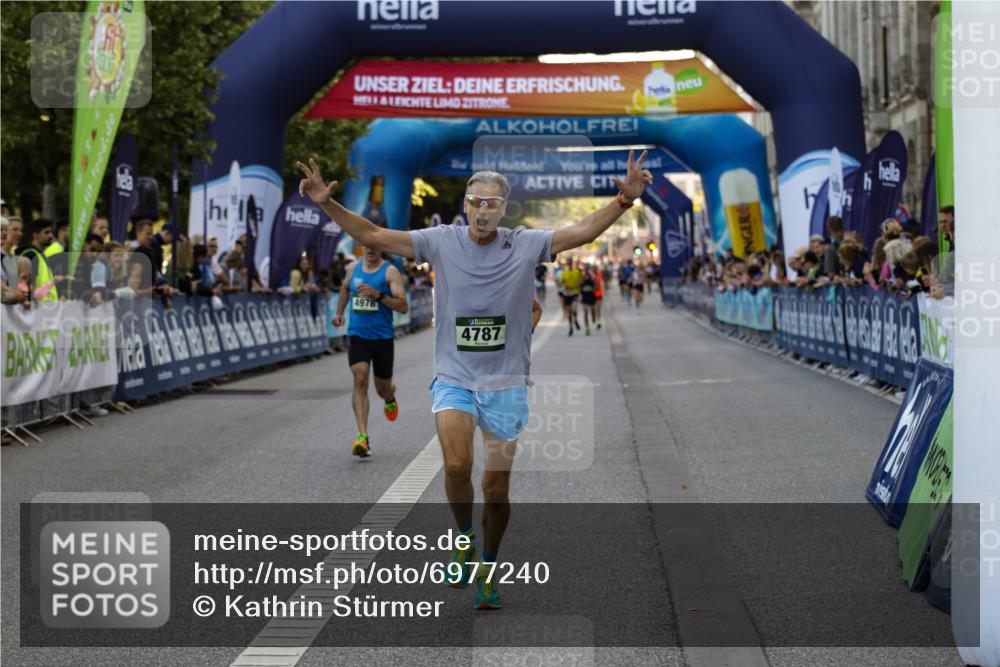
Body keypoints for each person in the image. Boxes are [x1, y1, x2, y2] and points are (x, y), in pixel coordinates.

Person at [297, 150, 652, 609]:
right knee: (458, 466)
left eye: (492, 203)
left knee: (496, 489)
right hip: (455, 379)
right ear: (466, 205)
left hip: (505, 384)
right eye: (476, 202)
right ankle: (464, 537)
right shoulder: (439, 241)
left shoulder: (524, 244)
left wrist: (624, 201)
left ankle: (488, 563)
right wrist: (328, 202)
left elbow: (580, 232)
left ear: (504, 209)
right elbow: (371, 233)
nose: (483, 210)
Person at [331, 244, 409, 457]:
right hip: (358, 334)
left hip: (382, 338)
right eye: (368, 246)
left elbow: (403, 306)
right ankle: (362, 437)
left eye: (376, 246)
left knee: (382, 387)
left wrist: (379, 296)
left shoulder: (390, 272)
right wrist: (339, 313)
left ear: (382, 249)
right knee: (360, 377)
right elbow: (346, 288)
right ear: (362, 247)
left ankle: (390, 396)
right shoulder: (352, 269)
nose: (372, 250)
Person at [16, 218, 58, 302]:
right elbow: (24, 282)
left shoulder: (41, 255)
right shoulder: (30, 255)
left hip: (45, 307)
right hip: (36, 307)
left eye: (51, 232)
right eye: (46, 232)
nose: (51, 236)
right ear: (35, 235)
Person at [559, 258, 582, 336]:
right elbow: (561, 283)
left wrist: (578, 285)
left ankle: (575, 320)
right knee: (569, 311)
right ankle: (571, 327)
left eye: (570, 263)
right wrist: (561, 283)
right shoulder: (564, 272)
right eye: (568, 263)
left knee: (574, 309)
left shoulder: (577, 272)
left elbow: (581, 280)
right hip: (567, 293)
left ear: (572, 263)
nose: (569, 265)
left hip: (575, 292)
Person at [579, 265, 598, 335]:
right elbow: (578, 284)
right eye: (585, 268)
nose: (586, 270)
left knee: (592, 309)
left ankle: (593, 316)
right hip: (584, 296)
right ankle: (587, 328)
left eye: (587, 268)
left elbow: (597, 284)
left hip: (591, 296)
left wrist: (593, 289)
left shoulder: (592, 276)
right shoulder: (582, 276)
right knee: (585, 312)